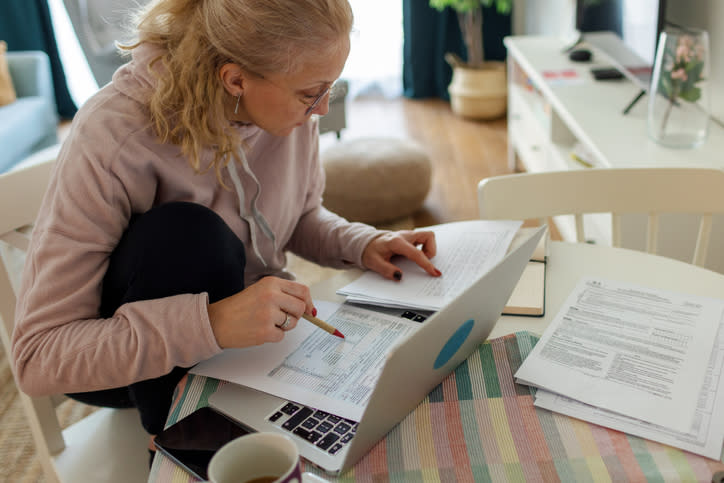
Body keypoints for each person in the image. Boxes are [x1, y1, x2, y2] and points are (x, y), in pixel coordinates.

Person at [11, 0, 441, 438]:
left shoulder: (288, 109)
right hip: (124, 365)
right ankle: (180, 445)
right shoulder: (114, 135)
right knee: (187, 234)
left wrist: (362, 245)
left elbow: (297, 216)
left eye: (330, 87)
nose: (322, 109)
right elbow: (38, 358)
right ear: (235, 79)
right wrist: (211, 323)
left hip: (242, 343)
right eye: (311, 93)